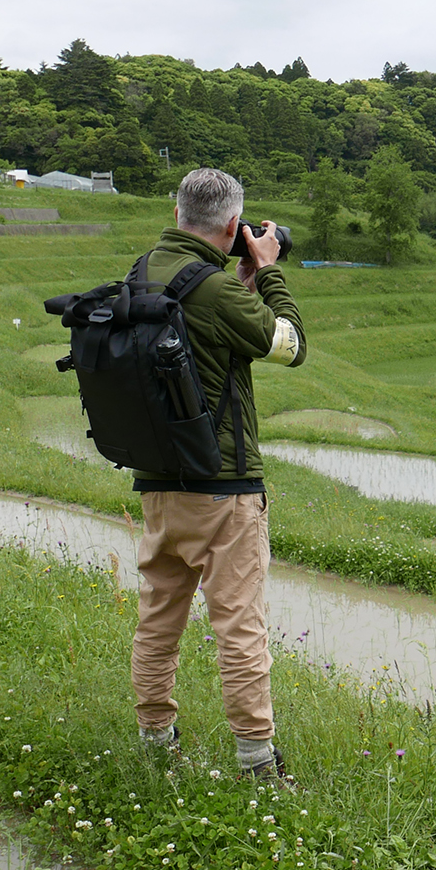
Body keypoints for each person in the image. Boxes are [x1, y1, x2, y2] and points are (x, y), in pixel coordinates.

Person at [130, 167, 306, 781]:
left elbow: (203, 323)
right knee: (238, 625)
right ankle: (257, 760)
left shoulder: (142, 272)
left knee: (160, 615)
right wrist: (270, 273)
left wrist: (240, 283)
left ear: (178, 213)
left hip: (157, 481)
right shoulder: (217, 291)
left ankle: (156, 738)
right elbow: (289, 344)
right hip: (224, 488)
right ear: (234, 226)